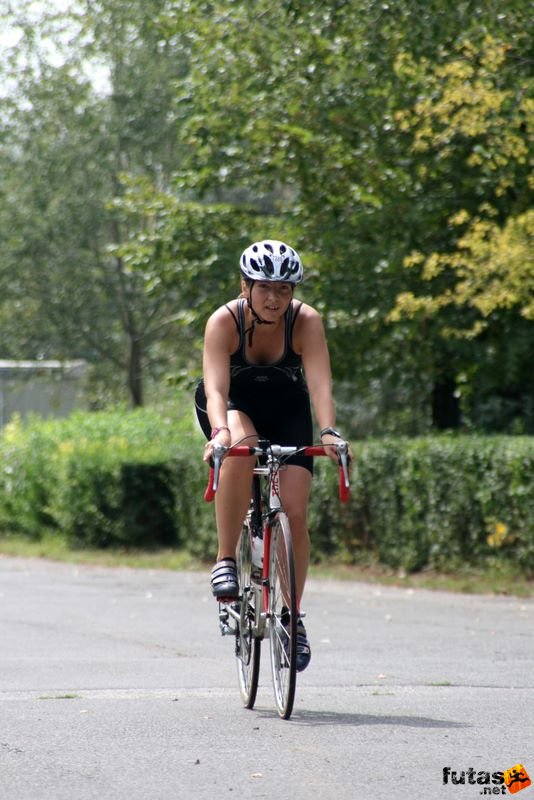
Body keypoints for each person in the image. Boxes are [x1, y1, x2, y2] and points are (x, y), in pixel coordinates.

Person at [195, 239, 349, 672]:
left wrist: (330, 432)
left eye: (285, 289)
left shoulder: (305, 321)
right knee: (242, 450)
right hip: (233, 408)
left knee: (295, 515)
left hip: (286, 409)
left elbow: (320, 385)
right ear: (245, 285)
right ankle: (226, 558)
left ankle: (290, 617)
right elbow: (216, 389)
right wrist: (220, 431)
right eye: (265, 287)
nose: (275, 297)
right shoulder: (223, 321)